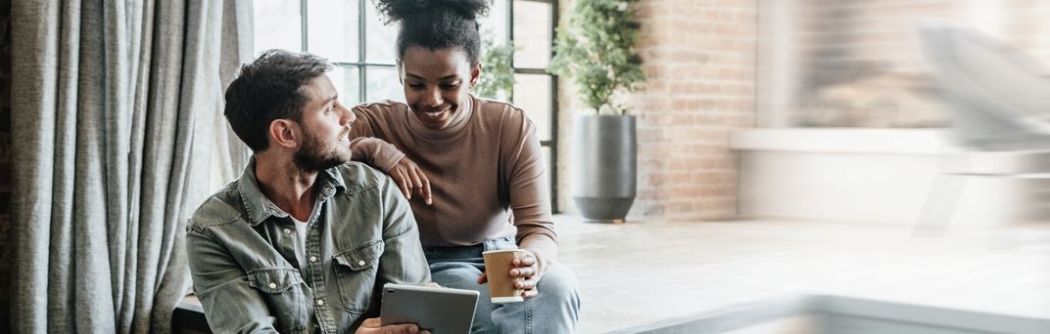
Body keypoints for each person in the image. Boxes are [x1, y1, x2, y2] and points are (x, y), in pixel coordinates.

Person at [348, 0, 581, 332]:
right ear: (400, 71)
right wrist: (375, 150)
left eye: (448, 84)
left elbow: (539, 231)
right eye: (416, 84)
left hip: (498, 257)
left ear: (474, 74)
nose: (432, 99)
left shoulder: (509, 126)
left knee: (558, 287)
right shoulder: (373, 122)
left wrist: (532, 261)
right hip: (422, 264)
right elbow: (315, 154)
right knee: (474, 302)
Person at [186, 50, 432, 334]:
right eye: (330, 108)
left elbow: (414, 318)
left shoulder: (375, 192)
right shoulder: (213, 230)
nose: (348, 116)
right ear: (286, 133)